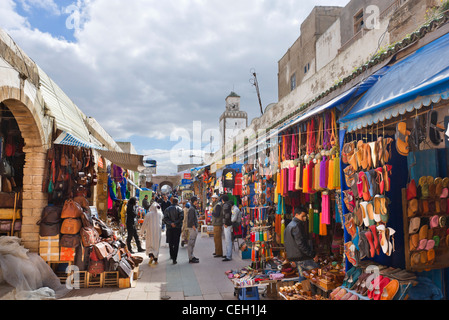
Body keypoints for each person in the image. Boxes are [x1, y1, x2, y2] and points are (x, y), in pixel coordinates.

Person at [284, 207, 319, 279]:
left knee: (303, 277)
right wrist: (312, 254)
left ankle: (305, 289)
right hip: (302, 257)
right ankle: (310, 290)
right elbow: (301, 243)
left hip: (296, 257)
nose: (304, 218)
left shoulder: (289, 225)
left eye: (304, 216)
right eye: (302, 216)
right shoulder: (296, 225)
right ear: (296, 215)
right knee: (316, 273)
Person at [162, 197, 184, 264]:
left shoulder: (167, 209)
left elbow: (165, 219)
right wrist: (175, 223)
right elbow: (181, 218)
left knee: (171, 243)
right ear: (177, 202)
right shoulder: (180, 209)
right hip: (177, 228)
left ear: (172, 202)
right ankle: (175, 258)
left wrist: (171, 223)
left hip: (169, 228)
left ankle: (171, 255)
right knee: (176, 243)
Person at [187, 196, 200, 263]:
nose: (197, 202)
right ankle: (190, 257)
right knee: (191, 243)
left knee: (192, 243)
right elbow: (190, 219)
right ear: (194, 201)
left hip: (193, 227)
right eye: (196, 200)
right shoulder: (192, 209)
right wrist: (193, 226)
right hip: (192, 227)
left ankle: (192, 256)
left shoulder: (192, 208)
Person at [211, 194, 223, 258]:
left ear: (216, 199)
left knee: (217, 238)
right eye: (212, 198)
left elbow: (217, 214)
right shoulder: (216, 205)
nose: (212, 200)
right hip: (216, 223)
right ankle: (217, 251)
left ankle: (219, 253)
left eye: (213, 198)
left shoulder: (218, 205)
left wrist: (212, 213)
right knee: (216, 238)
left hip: (217, 223)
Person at [221, 195, 234, 262]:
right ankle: (228, 254)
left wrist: (225, 223)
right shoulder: (228, 205)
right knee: (227, 240)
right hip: (228, 224)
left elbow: (226, 215)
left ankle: (228, 256)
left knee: (228, 240)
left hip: (227, 224)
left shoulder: (226, 206)